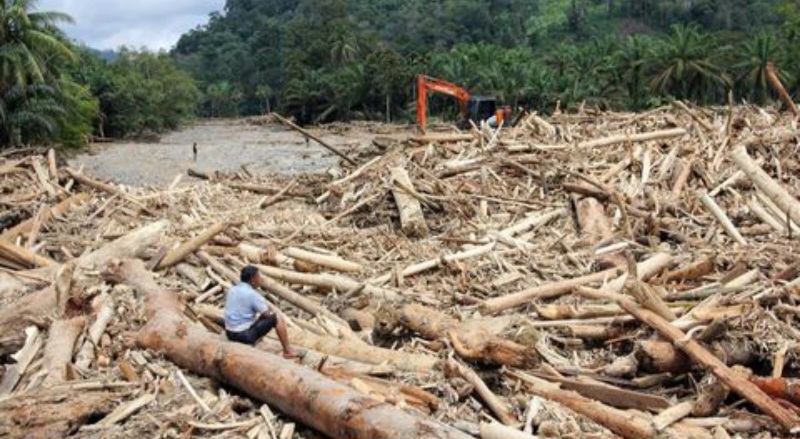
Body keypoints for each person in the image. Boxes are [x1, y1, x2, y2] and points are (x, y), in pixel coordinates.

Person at [224, 265, 298, 358]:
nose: (261, 279)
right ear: (253, 280)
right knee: (277, 317)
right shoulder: (253, 295)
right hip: (243, 335)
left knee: (261, 317)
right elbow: (267, 314)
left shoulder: (232, 289)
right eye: (259, 277)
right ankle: (287, 351)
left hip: (229, 333)